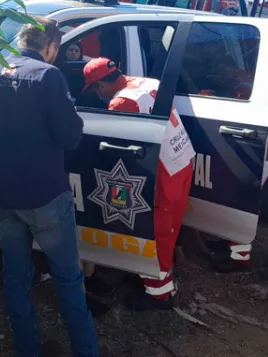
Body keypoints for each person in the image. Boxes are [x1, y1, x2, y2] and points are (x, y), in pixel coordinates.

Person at [0, 16, 100, 357]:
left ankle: (28, 349)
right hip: (44, 197)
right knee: (68, 279)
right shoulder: (47, 75)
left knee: (15, 275)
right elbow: (71, 136)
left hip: (2, 195)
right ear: (51, 46)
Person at [82, 57, 196, 311]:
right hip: (182, 158)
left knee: (155, 232)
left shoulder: (122, 102)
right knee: (168, 228)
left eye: (95, 89)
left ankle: (160, 295)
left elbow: (112, 145)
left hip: (163, 172)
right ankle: (147, 275)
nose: (98, 94)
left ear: (101, 84)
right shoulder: (147, 82)